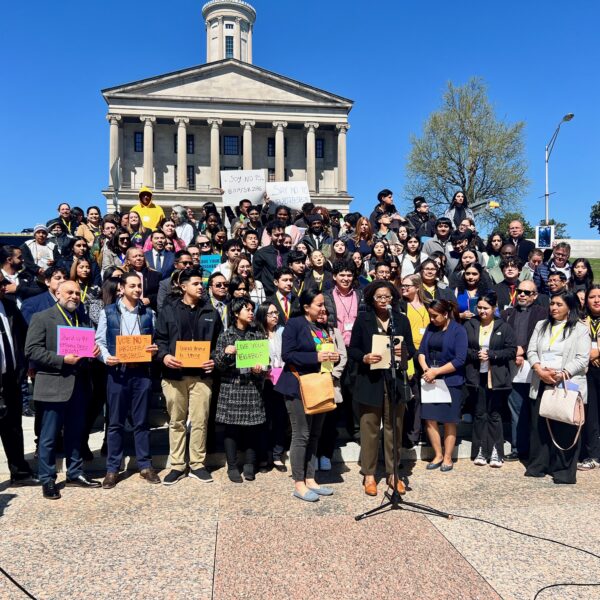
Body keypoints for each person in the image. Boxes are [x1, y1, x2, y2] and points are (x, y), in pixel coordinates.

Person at [25, 281, 102, 499]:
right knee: (48, 437)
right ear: (57, 293)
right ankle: (48, 479)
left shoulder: (83, 319)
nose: (75, 296)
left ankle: (75, 473)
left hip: (79, 386)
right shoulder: (42, 318)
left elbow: (88, 345)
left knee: (75, 433)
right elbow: (31, 350)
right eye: (70, 292)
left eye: (78, 293)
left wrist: (93, 349)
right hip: (53, 384)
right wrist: (62, 360)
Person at [155, 268, 222, 485]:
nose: (200, 286)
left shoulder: (211, 312)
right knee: (177, 421)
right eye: (195, 283)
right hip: (174, 375)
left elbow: (218, 344)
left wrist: (214, 359)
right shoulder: (169, 310)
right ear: (183, 287)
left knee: (201, 420)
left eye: (201, 283)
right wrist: (164, 357)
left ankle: (197, 464)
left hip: (202, 376)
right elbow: (160, 340)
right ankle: (177, 465)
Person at [348, 281, 415, 496]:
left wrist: (402, 352)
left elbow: (411, 350)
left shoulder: (401, 320)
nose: (384, 301)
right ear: (371, 299)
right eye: (379, 297)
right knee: (369, 428)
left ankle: (393, 473)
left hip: (394, 381)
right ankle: (369, 474)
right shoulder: (363, 320)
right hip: (370, 380)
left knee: (393, 427)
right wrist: (365, 357)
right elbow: (353, 350)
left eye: (387, 297)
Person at [95, 272, 160, 488]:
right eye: (132, 286)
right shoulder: (109, 312)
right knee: (115, 423)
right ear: (121, 288)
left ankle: (144, 465)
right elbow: (100, 341)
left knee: (142, 422)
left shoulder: (148, 313)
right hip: (118, 373)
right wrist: (106, 358)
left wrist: (153, 349)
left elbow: (156, 341)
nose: (137, 290)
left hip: (141, 373)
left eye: (139, 286)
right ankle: (112, 469)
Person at [275, 289, 339, 502]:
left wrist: (332, 356)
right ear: (306, 307)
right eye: (319, 304)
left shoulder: (321, 327)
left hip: (319, 384)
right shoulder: (294, 324)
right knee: (301, 434)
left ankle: (311, 478)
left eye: (324, 304)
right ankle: (299, 483)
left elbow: (325, 354)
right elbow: (288, 354)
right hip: (297, 386)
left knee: (314, 434)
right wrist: (317, 356)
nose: (323, 308)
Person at [526, 292, 590, 484]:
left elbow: (582, 358)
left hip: (566, 384)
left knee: (565, 427)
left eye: (559, 304)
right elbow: (531, 350)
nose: (553, 307)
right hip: (541, 381)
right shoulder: (541, 325)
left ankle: (563, 471)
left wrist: (561, 374)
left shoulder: (580, 329)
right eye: (552, 304)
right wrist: (539, 369)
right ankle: (539, 465)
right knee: (540, 427)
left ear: (569, 307)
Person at [213, 298, 267, 482]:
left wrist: (259, 369)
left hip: (252, 387)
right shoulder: (226, 335)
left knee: (253, 427)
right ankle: (232, 465)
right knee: (231, 429)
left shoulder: (257, 335)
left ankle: (250, 464)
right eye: (247, 309)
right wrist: (228, 353)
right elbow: (218, 365)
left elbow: (265, 365)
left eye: (252, 309)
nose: (251, 313)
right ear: (236, 313)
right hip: (232, 386)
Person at [464, 291, 516, 468]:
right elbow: (463, 348)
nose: (482, 311)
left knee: (494, 414)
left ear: (494, 308)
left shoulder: (504, 326)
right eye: (479, 307)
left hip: (496, 376)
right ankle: (480, 449)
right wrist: (475, 354)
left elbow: (511, 350)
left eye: (486, 308)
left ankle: (496, 451)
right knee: (479, 413)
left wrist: (492, 355)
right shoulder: (470, 325)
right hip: (476, 375)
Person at [418, 299, 468, 471]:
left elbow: (460, 359)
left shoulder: (458, 330)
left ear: (445, 314)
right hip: (430, 379)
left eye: (435, 316)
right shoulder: (431, 328)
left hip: (450, 380)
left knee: (449, 420)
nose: (432, 319)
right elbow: (421, 352)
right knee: (430, 419)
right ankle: (437, 454)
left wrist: (437, 372)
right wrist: (426, 369)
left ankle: (448, 457)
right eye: (430, 316)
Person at [501, 281, 548, 461]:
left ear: (535, 295)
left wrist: (522, 349)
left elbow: (542, 339)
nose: (522, 295)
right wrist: (514, 352)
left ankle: (537, 450)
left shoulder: (543, 314)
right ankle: (518, 448)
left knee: (536, 411)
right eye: (520, 291)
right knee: (516, 410)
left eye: (527, 293)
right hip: (513, 368)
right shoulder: (507, 313)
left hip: (536, 367)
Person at [0, 273, 38, 485]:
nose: (4, 287)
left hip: (11, 378)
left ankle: (20, 472)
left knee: (13, 427)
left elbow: (23, 336)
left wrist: (25, 366)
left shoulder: (9, 306)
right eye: (1, 283)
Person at [255, 301, 288, 471]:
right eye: (271, 313)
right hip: (263, 382)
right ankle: (263, 455)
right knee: (264, 420)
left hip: (281, 380)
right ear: (262, 315)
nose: (275, 316)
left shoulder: (283, 331)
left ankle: (277, 455)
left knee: (280, 419)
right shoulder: (256, 334)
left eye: (276, 313)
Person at [400, 274, 429, 447]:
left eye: (407, 286)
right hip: (410, 354)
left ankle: (424, 432)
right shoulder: (401, 306)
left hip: (427, 354)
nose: (403, 288)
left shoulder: (427, 304)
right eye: (402, 286)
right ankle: (410, 435)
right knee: (412, 397)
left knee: (427, 396)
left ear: (417, 287)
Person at [579, 285, 600, 470]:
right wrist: (590, 355)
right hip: (588, 372)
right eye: (592, 297)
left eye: (599, 296)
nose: (596, 300)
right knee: (591, 414)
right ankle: (593, 455)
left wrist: (597, 351)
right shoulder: (581, 321)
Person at [253, 220, 289, 297]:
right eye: (276, 235)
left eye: (282, 234)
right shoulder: (261, 254)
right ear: (270, 235)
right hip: (269, 294)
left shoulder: (289, 253)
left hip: (287, 293)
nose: (280, 238)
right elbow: (256, 276)